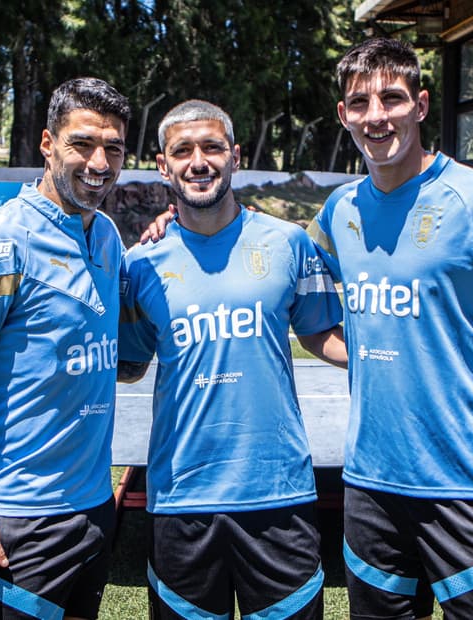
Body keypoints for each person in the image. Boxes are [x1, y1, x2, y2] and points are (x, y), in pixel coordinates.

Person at [305, 38, 473, 619]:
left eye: (392, 98)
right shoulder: (339, 213)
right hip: (370, 487)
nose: (377, 116)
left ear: (420, 105)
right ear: (344, 115)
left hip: (471, 491)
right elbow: (294, 290)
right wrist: (178, 228)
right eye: (360, 102)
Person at [117, 99, 347, 620]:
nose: (199, 161)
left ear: (235, 156)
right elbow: (127, 366)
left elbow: (318, 333)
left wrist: (390, 359)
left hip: (278, 495)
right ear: (162, 165)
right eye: (183, 150)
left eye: (212, 147)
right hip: (181, 501)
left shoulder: (288, 243)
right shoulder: (139, 263)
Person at [0, 77, 130, 620]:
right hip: (20, 521)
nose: (99, 161)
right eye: (82, 143)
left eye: (113, 147)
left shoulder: (107, 235)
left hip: (93, 508)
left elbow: (123, 354)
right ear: (46, 144)